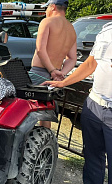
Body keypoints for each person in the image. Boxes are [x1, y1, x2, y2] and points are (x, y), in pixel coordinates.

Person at [43, 22, 112, 184]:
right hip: (94, 106)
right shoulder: (106, 30)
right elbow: (90, 64)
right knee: (92, 160)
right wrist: (63, 82)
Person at [29, 0, 77, 128]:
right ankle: (43, 143)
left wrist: (51, 71)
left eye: (47, 8)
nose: (45, 12)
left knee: (27, 111)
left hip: (39, 74)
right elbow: (72, 58)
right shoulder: (71, 29)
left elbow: (40, 50)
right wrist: (60, 74)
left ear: (53, 7)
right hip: (55, 79)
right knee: (46, 111)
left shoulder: (47, 22)